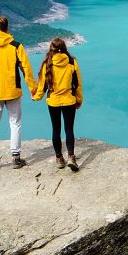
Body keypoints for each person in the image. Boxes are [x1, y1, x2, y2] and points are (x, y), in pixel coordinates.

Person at [0, 15, 37, 171]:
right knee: (15, 124)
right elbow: (26, 69)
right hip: (13, 91)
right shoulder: (16, 46)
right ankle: (16, 157)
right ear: (7, 28)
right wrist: (33, 87)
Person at [32, 37, 83, 172]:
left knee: (56, 129)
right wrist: (79, 99)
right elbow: (77, 84)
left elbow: (42, 86)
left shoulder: (47, 64)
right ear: (65, 48)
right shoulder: (72, 62)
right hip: (69, 100)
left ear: (51, 49)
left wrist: (36, 97)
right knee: (69, 129)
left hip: (53, 101)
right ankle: (71, 157)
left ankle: (59, 158)